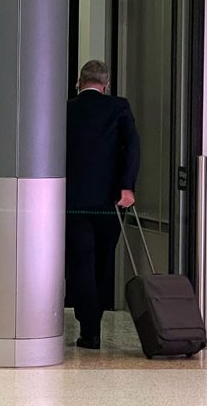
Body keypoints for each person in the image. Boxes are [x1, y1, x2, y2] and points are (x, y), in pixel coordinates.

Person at [65, 60, 141, 350]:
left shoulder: (67, 109)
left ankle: (90, 328)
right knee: (103, 261)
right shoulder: (118, 107)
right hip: (110, 203)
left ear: (79, 81)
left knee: (80, 263)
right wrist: (127, 187)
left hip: (72, 204)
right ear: (106, 84)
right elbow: (132, 146)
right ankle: (94, 321)